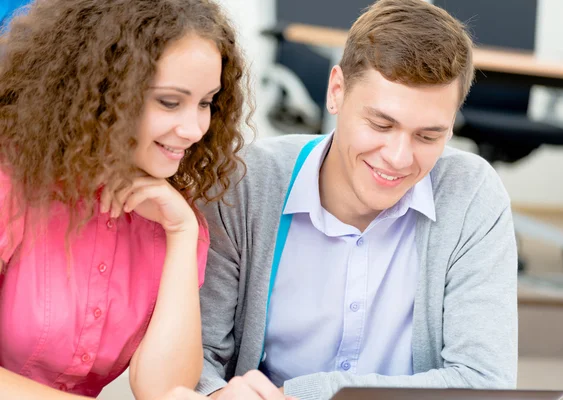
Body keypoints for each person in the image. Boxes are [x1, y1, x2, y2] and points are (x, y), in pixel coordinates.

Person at [197, 0, 518, 399]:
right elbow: (197, 359)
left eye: (428, 136)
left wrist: (302, 395)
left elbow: (484, 382)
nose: (399, 158)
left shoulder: (471, 194)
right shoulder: (245, 185)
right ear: (337, 92)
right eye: (381, 124)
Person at [0, 1, 288, 399]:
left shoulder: (169, 214)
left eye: (206, 103)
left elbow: (164, 390)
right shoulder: (11, 181)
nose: (193, 129)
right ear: (100, 91)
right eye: (170, 101)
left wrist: (182, 232)